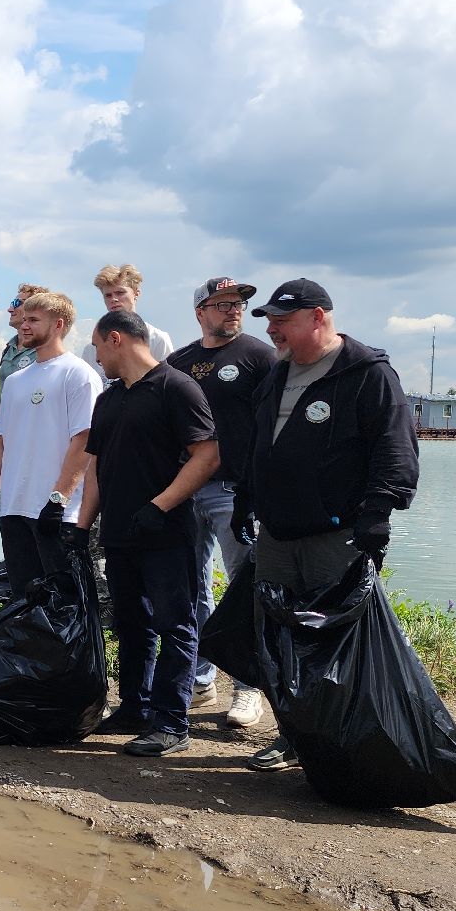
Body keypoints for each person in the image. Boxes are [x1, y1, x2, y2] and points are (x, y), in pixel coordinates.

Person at [240, 278, 418, 772]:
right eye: (270, 321)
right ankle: (293, 736)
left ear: (318, 317)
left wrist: (379, 511)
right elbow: (263, 445)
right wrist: (246, 499)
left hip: (335, 534)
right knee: (280, 640)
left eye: (283, 321)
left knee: (330, 643)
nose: (272, 329)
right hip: (277, 532)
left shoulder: (366, 374)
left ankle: (341, 739)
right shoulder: (278, 374)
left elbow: (395, 446)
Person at [78, 310, 220, 756]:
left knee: (175, 623)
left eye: (98, 346)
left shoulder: (176, 387)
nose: (97, 357)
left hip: (167, 530)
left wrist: (161, 505)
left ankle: (172, 722)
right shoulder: (110, 398)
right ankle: (133, 707)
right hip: (119, 531)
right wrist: (82, 526)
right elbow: (96, 465)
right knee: (130, 622)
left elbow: (207, 455)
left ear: (116, 339)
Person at [167, 277, 278, 726]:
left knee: (243, 588)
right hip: (186, 488)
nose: (233, 310)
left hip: (237, 493)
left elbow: (276, 423)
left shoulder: (258, 356)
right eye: (222, 304)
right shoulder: (179, 362)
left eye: (237, 303)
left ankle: (248, 689)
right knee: (191, 586)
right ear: (200, 312)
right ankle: (200, 676)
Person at [0, 292, 104, 594]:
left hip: (56, 511)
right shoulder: (14, 381)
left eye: (33, 320)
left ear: (58, 324)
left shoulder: (79, 374)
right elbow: (1, 442)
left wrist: (58, 498)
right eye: (23, 319)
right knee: (26, 597)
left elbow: (84, 440)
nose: (24, 325)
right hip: (14, 506)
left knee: (64, 599)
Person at [79, 264, 176, 373]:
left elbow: (168, 381)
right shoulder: (92, 349)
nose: (114, 299)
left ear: (136, 293)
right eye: (108, 295)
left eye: (120, 293)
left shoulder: (157, 339)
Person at [0, 283, 47, 388]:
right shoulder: (9, 348)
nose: (10, 309)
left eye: (17, 303)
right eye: (12, 303)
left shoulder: (44, 350)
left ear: (35, 307)